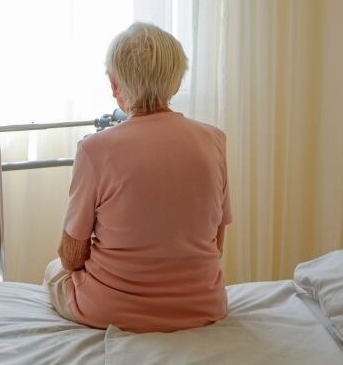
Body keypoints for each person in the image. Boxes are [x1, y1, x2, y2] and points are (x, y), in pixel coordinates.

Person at [43, 22, 231, 333]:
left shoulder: (94, 149)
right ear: (175, 82)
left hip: (111, 311)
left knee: (54, 270)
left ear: (115, 85)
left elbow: (72, 257)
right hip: (202, 306)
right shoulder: (214, 141)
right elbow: (216, 244)